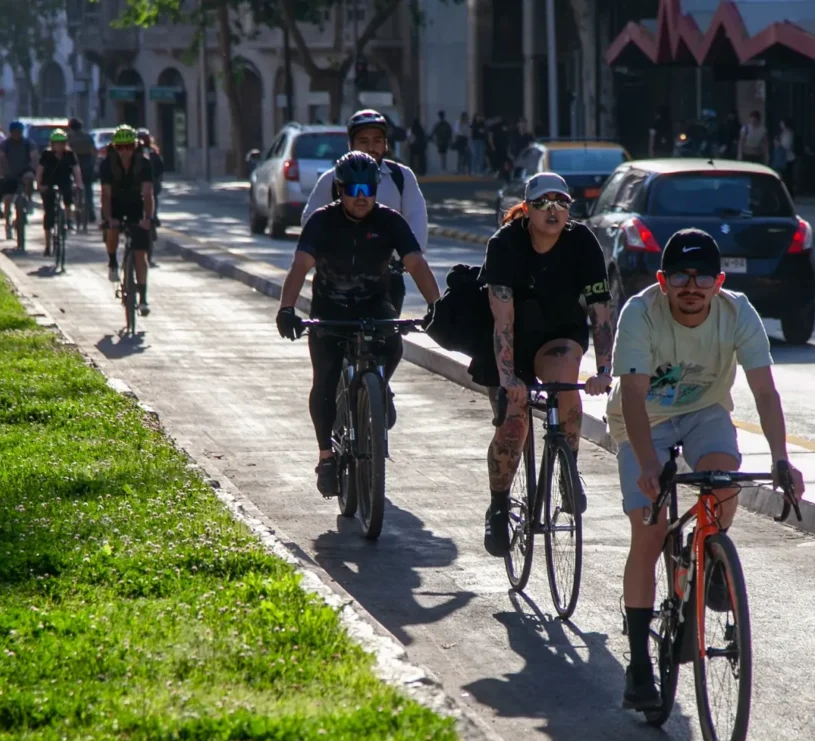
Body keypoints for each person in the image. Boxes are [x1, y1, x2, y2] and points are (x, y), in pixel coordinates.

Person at [607, 228, 804, 711]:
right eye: (680, 277)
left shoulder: (738, 313)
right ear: (662, 280)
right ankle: (639, 665)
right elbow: (632, 396)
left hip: (704, 412)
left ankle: (709, 561)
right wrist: (648, 466)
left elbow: (765, 392)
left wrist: (781, 458)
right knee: (649, 534)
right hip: (643, 420)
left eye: (702, 278)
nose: (691, 287)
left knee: (723, 482)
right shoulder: (639, 313)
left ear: (719, 282)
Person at [276, 151, 441, 498]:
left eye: (368, 188)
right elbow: (300, 266)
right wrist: (286, 309)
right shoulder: (321, 221)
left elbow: (416, 264)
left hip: (373, 303)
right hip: (330, 306)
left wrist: (437, 307)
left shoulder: (390, 221)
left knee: (394, 345)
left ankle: (378, 390)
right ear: (340, 189)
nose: (361, 196)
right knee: (325, 378)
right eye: (353, 189)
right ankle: (326, 457)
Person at [473, 172, 614, 556]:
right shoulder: (505, 244)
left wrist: (604, 370)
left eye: (561, 203)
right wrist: (507, 378)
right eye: (542, 203)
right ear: (527, 208)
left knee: (565, 380)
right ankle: (498, 506)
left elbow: (600, 309)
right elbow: (503, 321)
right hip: (512, 342)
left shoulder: (582, 241)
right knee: (514, 422)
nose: (552, 210)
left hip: (559, 334)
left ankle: (568, 470)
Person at [303, 109, 429, 315]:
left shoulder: (402, 177)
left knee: (388, 331)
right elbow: (309, 222)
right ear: (350, 145)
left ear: (386, 144)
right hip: (336, 282)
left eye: (377, 141)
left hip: (385, 279)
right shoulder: (332, 179)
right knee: (326, 329)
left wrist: (400, 260)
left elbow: (417, 223)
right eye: (363, 141)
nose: (371, 147)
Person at [99, 124, 154, 316]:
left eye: (129, 147)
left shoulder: (144, 163)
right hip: (115, 203)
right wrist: (109, 218)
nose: (125, 151)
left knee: (140, 253)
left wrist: (148, 218)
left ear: (135, 146)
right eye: (120, 147)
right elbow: (105, 194)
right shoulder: (107, 164)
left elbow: (148, 194)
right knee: (112, 229)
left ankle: (143, 298)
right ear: (114, 148)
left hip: (135, 204)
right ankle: (112, 262)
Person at [36, 128, 83, 257]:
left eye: (62, 143)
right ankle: (47, 245)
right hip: (48, 183)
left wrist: (79, 183)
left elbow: (76, 170)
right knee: (49, 214)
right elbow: (40, 170)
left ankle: (68, 220)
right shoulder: (46, 155)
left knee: (68, 196)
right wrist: (39, 185)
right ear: (52, 144)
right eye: (57, 143)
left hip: (64, 181)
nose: (59, 146)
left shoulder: (69, 154)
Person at [0, 121, 38, 241]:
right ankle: (8, 224)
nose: (17, 134)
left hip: (24, 172)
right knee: (8, 199)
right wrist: (0, 173)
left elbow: (34, 157)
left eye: (19, 132)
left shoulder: (28, 143)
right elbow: (1, 158)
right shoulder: (5, 144)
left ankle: (28, 201)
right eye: (14, 132)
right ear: (11, 132)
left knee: (29, 178)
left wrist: (34, 170)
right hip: (9, 174)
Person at [137, 128, 165, 263]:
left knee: (150, 213)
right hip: (145, 189)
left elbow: (160, 170)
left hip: (148, 189)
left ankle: (151, 225)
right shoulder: (150, 153)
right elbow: (161, 171)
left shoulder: (151, 153)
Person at [67, 117, 97, 222]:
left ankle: (74, 208)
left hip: (73, 165)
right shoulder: (88, 137)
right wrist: (95, 164)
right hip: (87, 164)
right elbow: (94, 151)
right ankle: (90, 211)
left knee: (71, 186)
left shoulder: (69, 138)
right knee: (88, 188)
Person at [772, 118, 796, 197]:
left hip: (788, 159)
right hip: (783, 158)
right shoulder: (783, 133)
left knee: (788, 178)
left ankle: (789, 194)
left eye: (782, 124)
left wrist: (778, 143)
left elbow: (786, 145)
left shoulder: (789, 133)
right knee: (784, 177)